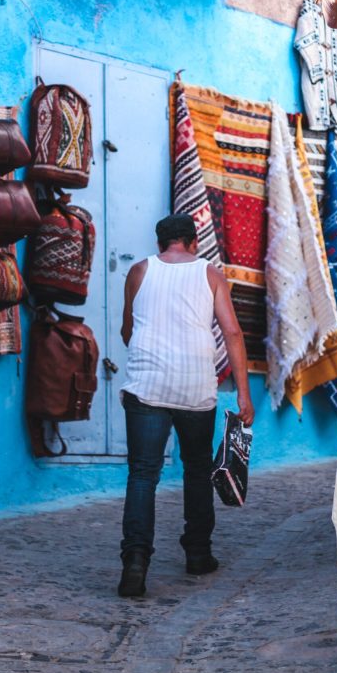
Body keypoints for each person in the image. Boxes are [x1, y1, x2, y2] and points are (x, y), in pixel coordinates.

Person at [117, 212, 254, 598]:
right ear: (193, 242)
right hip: (195, 387)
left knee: (143, 474)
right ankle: (197, 553)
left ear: (161, 244)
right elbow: (232, 332)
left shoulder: (140, 272)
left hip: (147, 386)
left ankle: (136, 562)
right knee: (196, 470)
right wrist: (243, 394)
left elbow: (128, 330)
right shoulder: (209, 274)